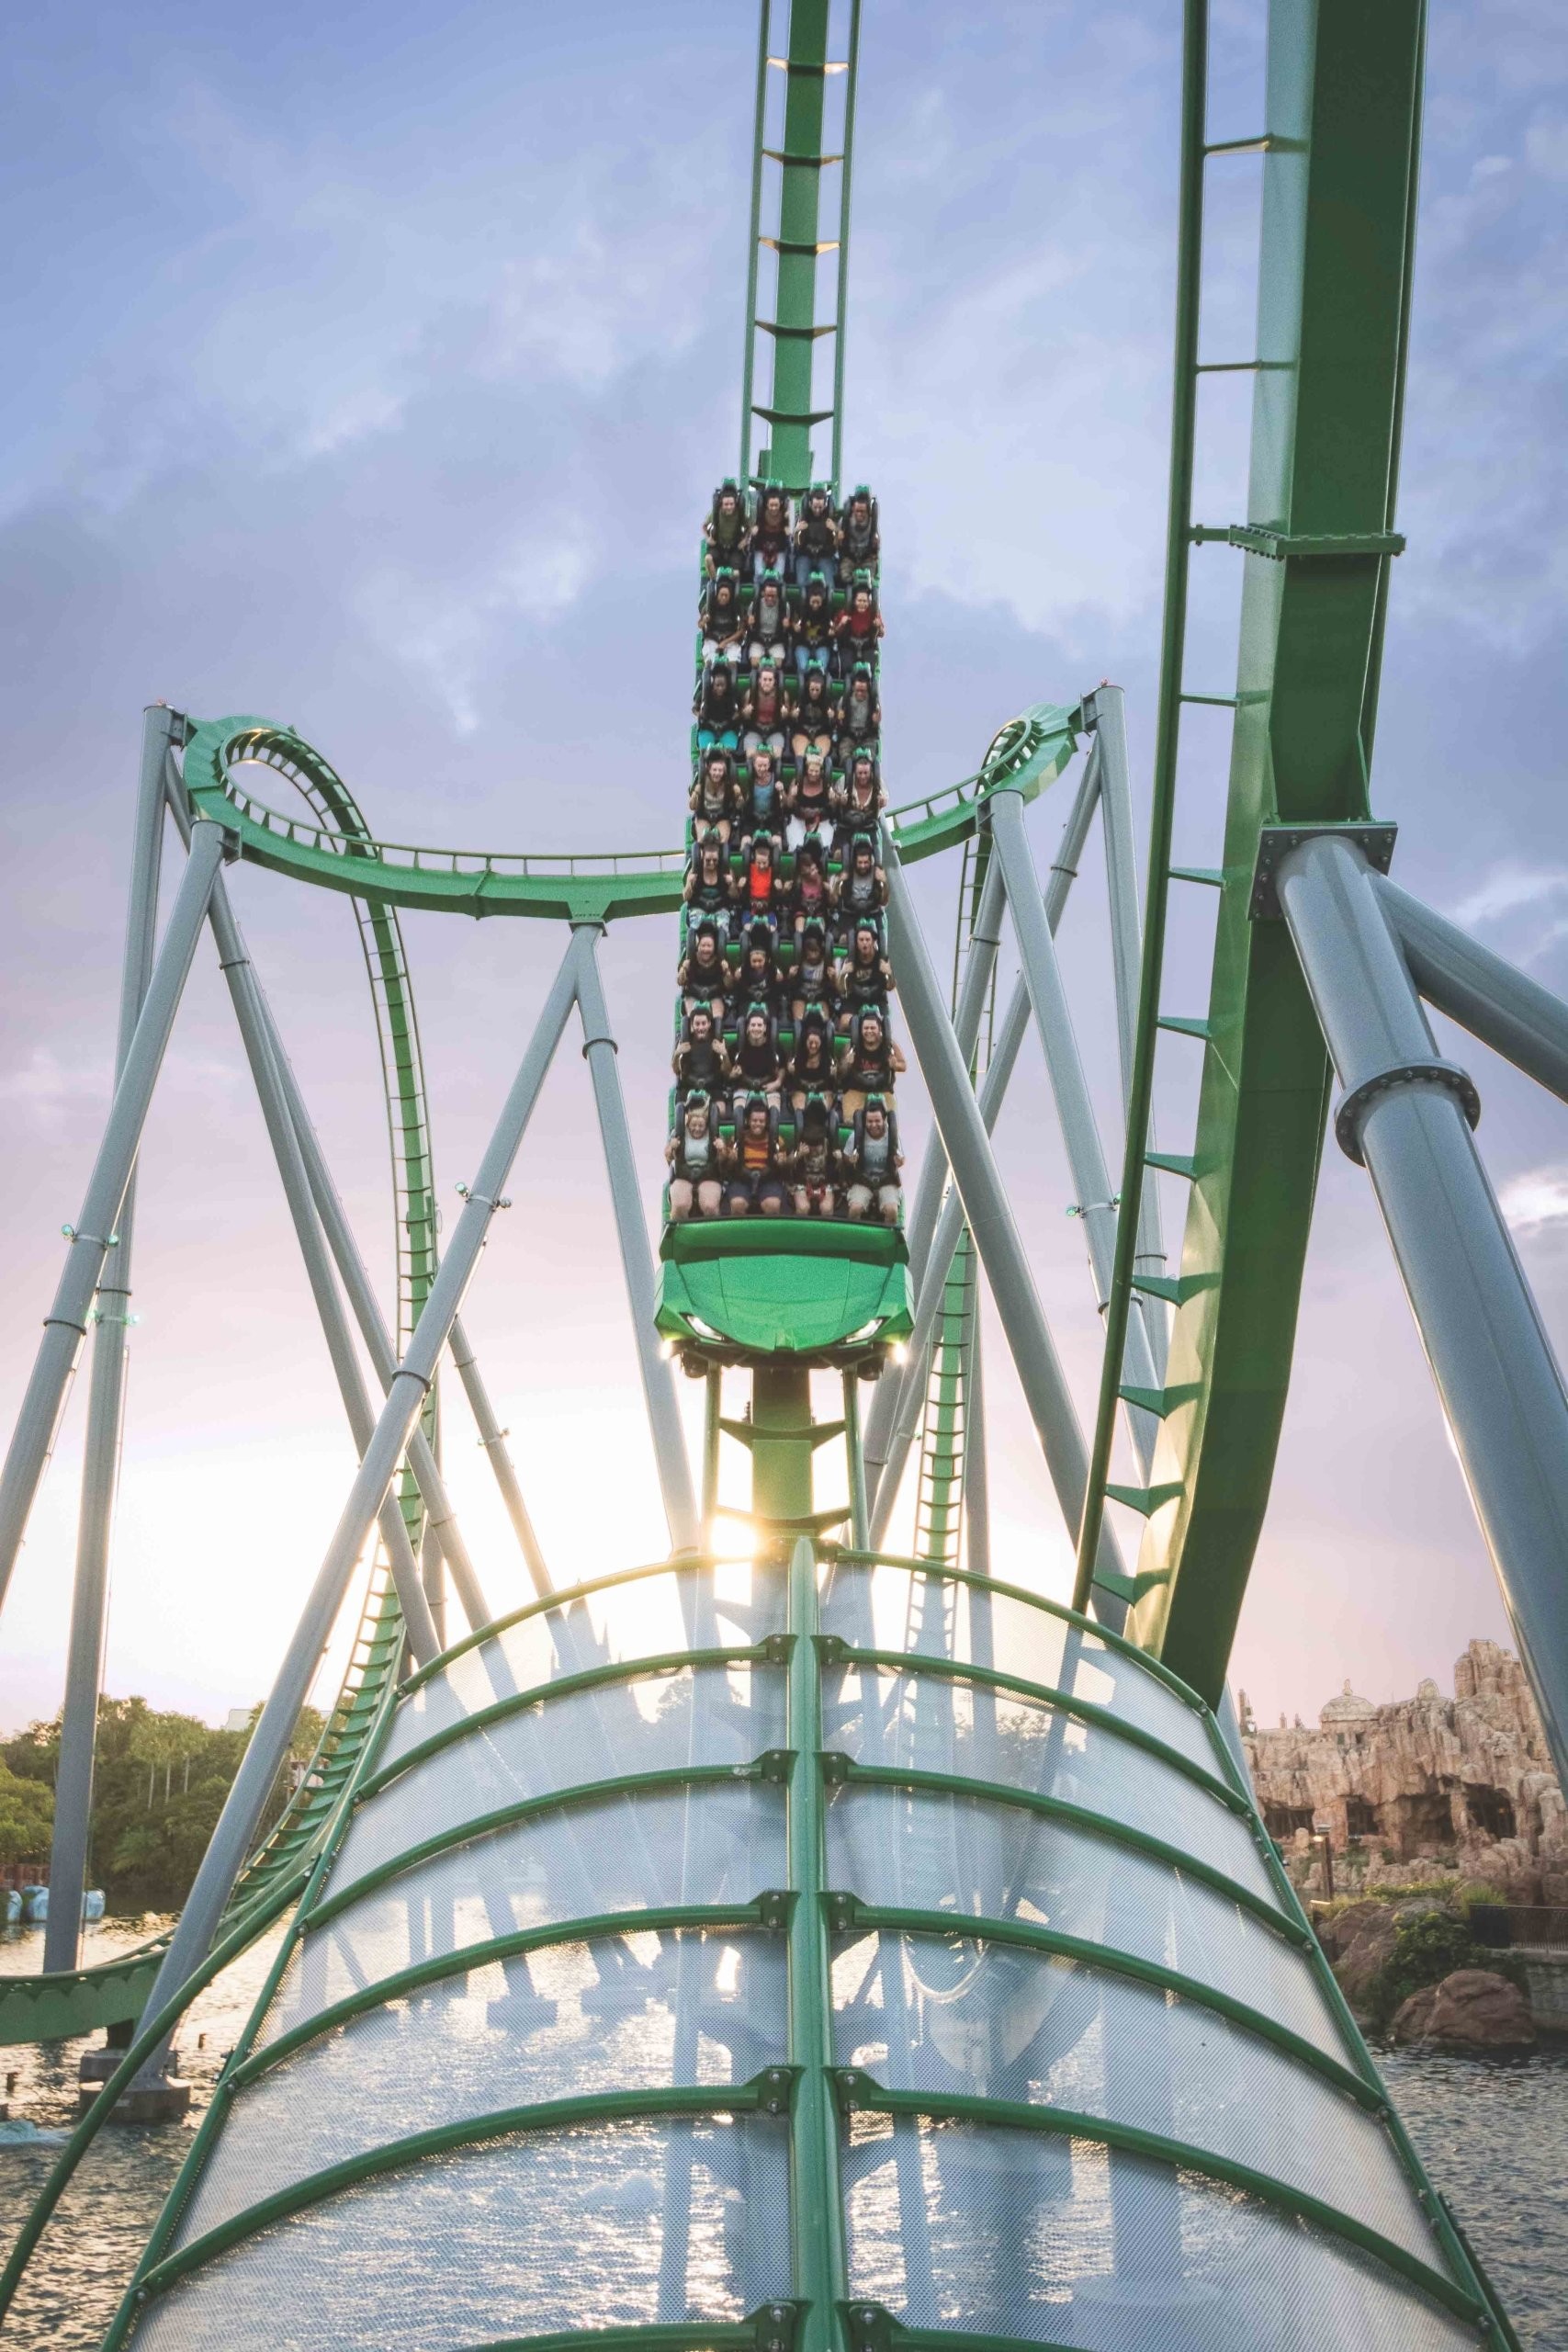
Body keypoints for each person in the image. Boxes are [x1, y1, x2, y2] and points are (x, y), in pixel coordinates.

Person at [726, 1095, 791, 1216]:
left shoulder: (777, 1140)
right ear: (748, 1121)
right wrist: (731, 1160)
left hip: (768, 1178)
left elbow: (784, 1168)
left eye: (761, 1121)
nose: (758, 1124)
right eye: (754, 1121)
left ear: (767, 1123)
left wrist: (782, 1162)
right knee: (737, 1204)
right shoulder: (737, 1139)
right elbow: (728, 1168)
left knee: (773, 1205)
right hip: (742, 1178)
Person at [842, 1094, 902, 1225]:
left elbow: (900, 1157)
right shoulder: (855, 1136)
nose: (873, 1125)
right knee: (855, 1209)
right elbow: (845, 1157)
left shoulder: (893, 1137)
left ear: (884, 1119)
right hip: (863, 1179)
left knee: (892, 1210)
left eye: (877, 1121)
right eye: (870, 1121)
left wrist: (900, 1162)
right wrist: (850, 1160)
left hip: (886, 1179)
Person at [837, 1006, 905, 1114]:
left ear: (880, 1029)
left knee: (885, 1116)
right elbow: (839, 1072)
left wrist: (895, 1065)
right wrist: (847, 1063)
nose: (869, 1031)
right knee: (852, 1117)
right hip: (856, 1091)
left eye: (873, 1028)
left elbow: (903, 1065)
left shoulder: (890, 1045)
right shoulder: (850, 1046)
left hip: (882, 1092)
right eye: (866, 1028)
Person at [667, 1095, 724, 1221]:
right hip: (683, 1174)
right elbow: (668, 1157)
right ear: (688, 1122)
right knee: (680, 1205)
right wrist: (671, 1147)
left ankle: (712, 1234)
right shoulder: (678, 1133)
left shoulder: (715, 1134)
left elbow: (724, 1161)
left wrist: (721, 1150)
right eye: (694, 1125)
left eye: (701, 1126)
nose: (697, 1129)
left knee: (710, 1205)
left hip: (708, 1175)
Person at [792, 1096, 839, 1219]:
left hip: (824, 1182)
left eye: (816, 1145)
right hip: (803, 1181)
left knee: (826, 1209)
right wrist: (798, 1155)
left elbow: (838, 1170)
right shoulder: (800, 1136)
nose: (813, 1148)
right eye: (811, 1145)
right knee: (803, 1208)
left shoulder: (830, 1140)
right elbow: (788, 1164)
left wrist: (840, 1160)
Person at [673, 1004, 732, 1100]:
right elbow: (676, 1070)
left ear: (709, 1024)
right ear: (692, 1025)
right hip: (689, 1086)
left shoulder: (718, 1041)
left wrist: (724, 1054)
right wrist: (677, 1054)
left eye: (703, 1023)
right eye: (697, 1024)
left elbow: (727, 1072)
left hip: (713, 1086)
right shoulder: (684, 1041)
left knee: (721, 1109)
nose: (700, 1028)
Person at [838, 919, 894, 1012]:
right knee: (844, 1021)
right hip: (854, 1000)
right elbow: (841, 990)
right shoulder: (850, 958)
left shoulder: (882, 958)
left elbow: (890, 987)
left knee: (883, 1017)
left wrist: (890, 974)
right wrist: (843, 974)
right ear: (856, 942)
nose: (864, 943)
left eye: (867, 940)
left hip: (877, 999)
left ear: (873, 941)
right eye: (861, 940)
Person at [679, 920, 730, 1017]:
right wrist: (683, 969)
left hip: (715, 994)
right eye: (703, 946)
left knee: (717, 1011)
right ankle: (693, 1027)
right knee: (692, 1011)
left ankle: (715, 1027)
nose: (706, 949)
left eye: (709, 946)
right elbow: (680, 982)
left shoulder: (721, 959)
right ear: (698, 946)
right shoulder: (689, 957)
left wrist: (726, 971)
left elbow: (729, 985)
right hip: (693, 994)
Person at [740, 660, 791, 757]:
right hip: (755, 730)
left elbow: (787, 719)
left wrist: (785, 715)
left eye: (770, 680)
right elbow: (743, 717)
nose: (767, 683)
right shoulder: (750, 694)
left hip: (774, 730)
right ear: (759, 680)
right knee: (751, 757)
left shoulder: (782, 695)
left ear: (774, 681)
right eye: (764, 679)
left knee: (776, 757)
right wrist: (745, 714)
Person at [793, 484, 839, 590]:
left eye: (820, 507)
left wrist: (835, 530)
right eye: (815, 507)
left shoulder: (830, 520)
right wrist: (797, 531)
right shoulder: (802, 519)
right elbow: (796, 545)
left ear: (825, 505)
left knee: (829, 585)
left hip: (824, 555)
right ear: (809, 503)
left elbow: (836, 545)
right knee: (801, 583)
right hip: (805, 554)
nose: (818, 510)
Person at [732, 1004, 784, 1098]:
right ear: (747, 1028)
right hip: (744, 1087)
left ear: (765, 1028)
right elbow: (728, 1072)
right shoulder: (739, 1046)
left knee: (774, 1107)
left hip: (769, 1088)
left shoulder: (774, 1046)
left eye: (759, 1025)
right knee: (739, 1107)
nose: (756, 1028)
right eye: (753, 1025)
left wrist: (778, 1082)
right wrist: (732, 1074)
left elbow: (783, 1066)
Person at [832, 832, 888, 920]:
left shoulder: (876, 873)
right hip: (850, 913)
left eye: (866, 863)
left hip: (871, 914)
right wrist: (839, 883)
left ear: (870, 861)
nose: (863, 866)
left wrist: (884, 883)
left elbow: (884, 902)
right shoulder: (847, 873)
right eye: (860, 863)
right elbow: (836, 900)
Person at [833, 750, 883, 845]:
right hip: (847, 824)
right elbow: (833, 801)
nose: (863, 777)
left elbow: (884, 799)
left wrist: (882, 800)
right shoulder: (843, 781)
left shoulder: (877, 783)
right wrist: (839, 799)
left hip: (869, 825)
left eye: (866, 773)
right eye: (860, 773)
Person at [690, 747, 740, 841]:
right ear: (709, 769)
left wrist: (739, 796)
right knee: (703, 840)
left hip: (722, 817)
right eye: (714, 770)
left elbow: (739, 807)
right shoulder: (701, 781)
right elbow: (692, 806)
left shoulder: (730, 783)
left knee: (722, 839)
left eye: (720, 770)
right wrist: (695, 793)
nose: (717, 773)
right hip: (703, 816)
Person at [834, 571, 885, 663]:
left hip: (867, 644)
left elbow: (882, 633)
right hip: (849, 644)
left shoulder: (873, 612)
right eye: (859, 601)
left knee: (871, 662)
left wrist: (879, 626)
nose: (862, 604)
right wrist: (842, 623)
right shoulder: (846, 611)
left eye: (865, 601)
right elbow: (835, 632)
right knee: (845, 664)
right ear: (854, 601)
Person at [792, 570, 836, 675]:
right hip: (803, 643)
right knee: (803, 668)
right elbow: (793, 624)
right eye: (813, 602)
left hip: (821, 644)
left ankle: (819, 682)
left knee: (821, 668)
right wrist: (794, 627)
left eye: (818, 602)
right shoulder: (800, 609)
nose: (815, 605)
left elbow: (831, 629)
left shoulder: (827, 611)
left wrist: (832, 632)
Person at [789, 1006, 837, 1101]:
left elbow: (834, 1082)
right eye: (810, 1043)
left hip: (824, 1091)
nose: (813, 1046)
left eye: (816, 1043)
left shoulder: (828, 1057)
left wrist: (835, 1074)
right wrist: (791, 1071)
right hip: (801, 1091)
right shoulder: (796, 1055)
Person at [705, 480, 750, 576]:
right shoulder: (715, 514)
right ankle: (714, 582)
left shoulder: (740, 514)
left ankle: (731, 587)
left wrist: (745, 540)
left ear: (736, 502)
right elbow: (704, 526)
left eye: (731, 504)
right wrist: (708, 538)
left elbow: (749, 527)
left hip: (734, 548)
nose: (729, 507)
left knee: (736, 574)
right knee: (708, 559)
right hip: (718, 546)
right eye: (726, 504)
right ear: (721, 503)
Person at [684, 836, 733, 927]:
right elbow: (686, 897)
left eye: (715, 860)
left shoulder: (725, 870)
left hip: (720, 909)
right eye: (708, 860)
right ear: (702, 856)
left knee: (723, 926)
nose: (711, 863)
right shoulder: (695, 870)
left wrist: (731, 884)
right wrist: (690, 884)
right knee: (697, 927)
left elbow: (734, 895)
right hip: (698, 908)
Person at [694, 657, 742, 748]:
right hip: (708, 728)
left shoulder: (734, 693)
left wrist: (738, 714)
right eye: (717, 685)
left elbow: (740, 710)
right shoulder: (704, 694)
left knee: (729, 751)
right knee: (706, 750)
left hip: (728, 728)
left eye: (722, 685)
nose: (720, 688)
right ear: (712, 683)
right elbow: (694, 708)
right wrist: (699, 713)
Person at [700, 568, 747, 660]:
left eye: (726, 596)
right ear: (717, 595)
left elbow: (741, 630)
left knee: (732, 660)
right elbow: (700, 624)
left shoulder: (736, 607)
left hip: (730, 640)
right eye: (722, 595)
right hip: (712, 639)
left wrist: (725, 642)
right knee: (710, 659)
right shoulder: (709, 606)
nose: (724, 598)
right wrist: (704, 621)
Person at [792, 662, 836, 759]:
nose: (814, 693)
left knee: (819, 758)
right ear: (808, 688)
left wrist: (832, 717)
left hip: (821, 732)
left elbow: (832, 724)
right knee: (800, 756)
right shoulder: (801, 698)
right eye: (812, 690)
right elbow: (792, 721)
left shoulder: (827, 700)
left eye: (817, 690)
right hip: (803, 731)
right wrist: (793, 715)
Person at [741, 745, 785, 840]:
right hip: (752, 818)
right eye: (759, 766)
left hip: (772, 818)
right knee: (746, 840)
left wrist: (781, 791)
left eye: (765, 766)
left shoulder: (776, 778)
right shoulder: (748, 780)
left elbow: (784, 803)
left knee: (777, 840)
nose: (762, 769)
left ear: (769, 765)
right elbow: (742, 803)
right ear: (754, 765)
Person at [837, 485, 879, 582]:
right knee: (845, 577)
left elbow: (875, 550)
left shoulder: (872, 524)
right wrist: (838, 538)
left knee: (867, 579)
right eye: (857, 511)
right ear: (852, 509)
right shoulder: (845, 522)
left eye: (863, 512)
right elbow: (837, 544)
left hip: (866, 558)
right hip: (849, 558)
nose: (860, 514)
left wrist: (875, 545)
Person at [789, 747, 833, 837]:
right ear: (806, 770)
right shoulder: (797, 781)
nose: (813, 774)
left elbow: (833, 806)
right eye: (811, 771)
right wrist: (792, 796)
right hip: (799, 819)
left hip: (822, 821)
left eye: (816, 771)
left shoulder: (826, 783)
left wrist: (834, 798)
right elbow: (789, 805)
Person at [748, 569, 790, 663]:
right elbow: (750, 629)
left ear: (778, 595)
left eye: (773, 596)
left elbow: (785, 631)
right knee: (755, 662)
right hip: (759, 639)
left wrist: (786, 626)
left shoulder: (784, 606)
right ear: (763, 594)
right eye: (768, 595)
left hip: (776, 639)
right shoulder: (755, 605)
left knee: (778, 663)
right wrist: (750, 624)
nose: (770, 598)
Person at [750, 485, 792, 580]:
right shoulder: (760, 517)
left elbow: (791, 533)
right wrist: (753, 531)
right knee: (759, 574)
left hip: (779, 549)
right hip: (762, 548)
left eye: (776, 505)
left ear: (780, 504)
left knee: (779, 575)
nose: (773, 508)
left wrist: (789, 525)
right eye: (771, 505)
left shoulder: (785, 517)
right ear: (766, 504)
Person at [840, 660, 880, 746]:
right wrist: (839, 718)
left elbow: (876, 728)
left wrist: (876, 722)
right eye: (858, 691)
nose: (860, 694)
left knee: (868, 755)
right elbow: (838, 723)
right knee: (845, 752)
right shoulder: (845, 700)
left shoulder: (873, 702)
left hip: (867, 737)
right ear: (853, 687)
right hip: (849, 736)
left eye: (863, 691)